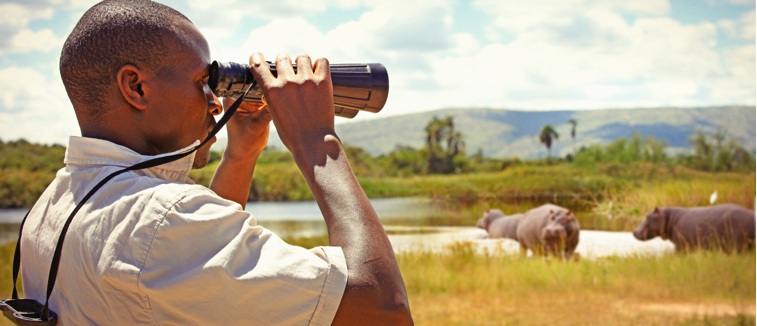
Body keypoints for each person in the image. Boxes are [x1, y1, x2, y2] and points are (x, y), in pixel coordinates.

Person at [18, 0, 412, 325]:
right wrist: (316, 141)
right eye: (201, 83)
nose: (214, 101)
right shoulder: (161, 222)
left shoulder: (55, 203)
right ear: (135, 87)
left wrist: (242, 153)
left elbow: (194, 274)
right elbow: (382, 309)